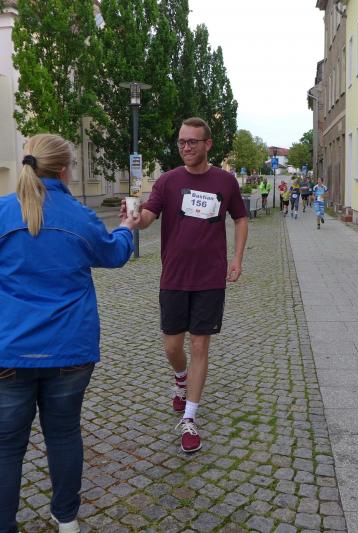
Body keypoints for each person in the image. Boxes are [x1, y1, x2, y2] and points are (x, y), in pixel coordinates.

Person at [0, 133, 139, 533]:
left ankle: (0, 527)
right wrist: (126, 226)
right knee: (64, 434)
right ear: (65, 171)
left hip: (5, 350)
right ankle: (66, 518)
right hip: (68, 349)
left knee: (4, 447)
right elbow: (115, 254)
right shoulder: (79, 216)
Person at [127, 117, 248, 453]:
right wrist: (137, 218)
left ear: (208, 144)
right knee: (172, 347)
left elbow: (240, 217)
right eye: (182, 141)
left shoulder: (225, 181)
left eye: (192, 141)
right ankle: (180, 378)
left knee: (199, 347)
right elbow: (149, 215)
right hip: (175, 277)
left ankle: (190, 418)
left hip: (210, 278)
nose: (186, 147)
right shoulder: (168, 181)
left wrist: (237, 258)